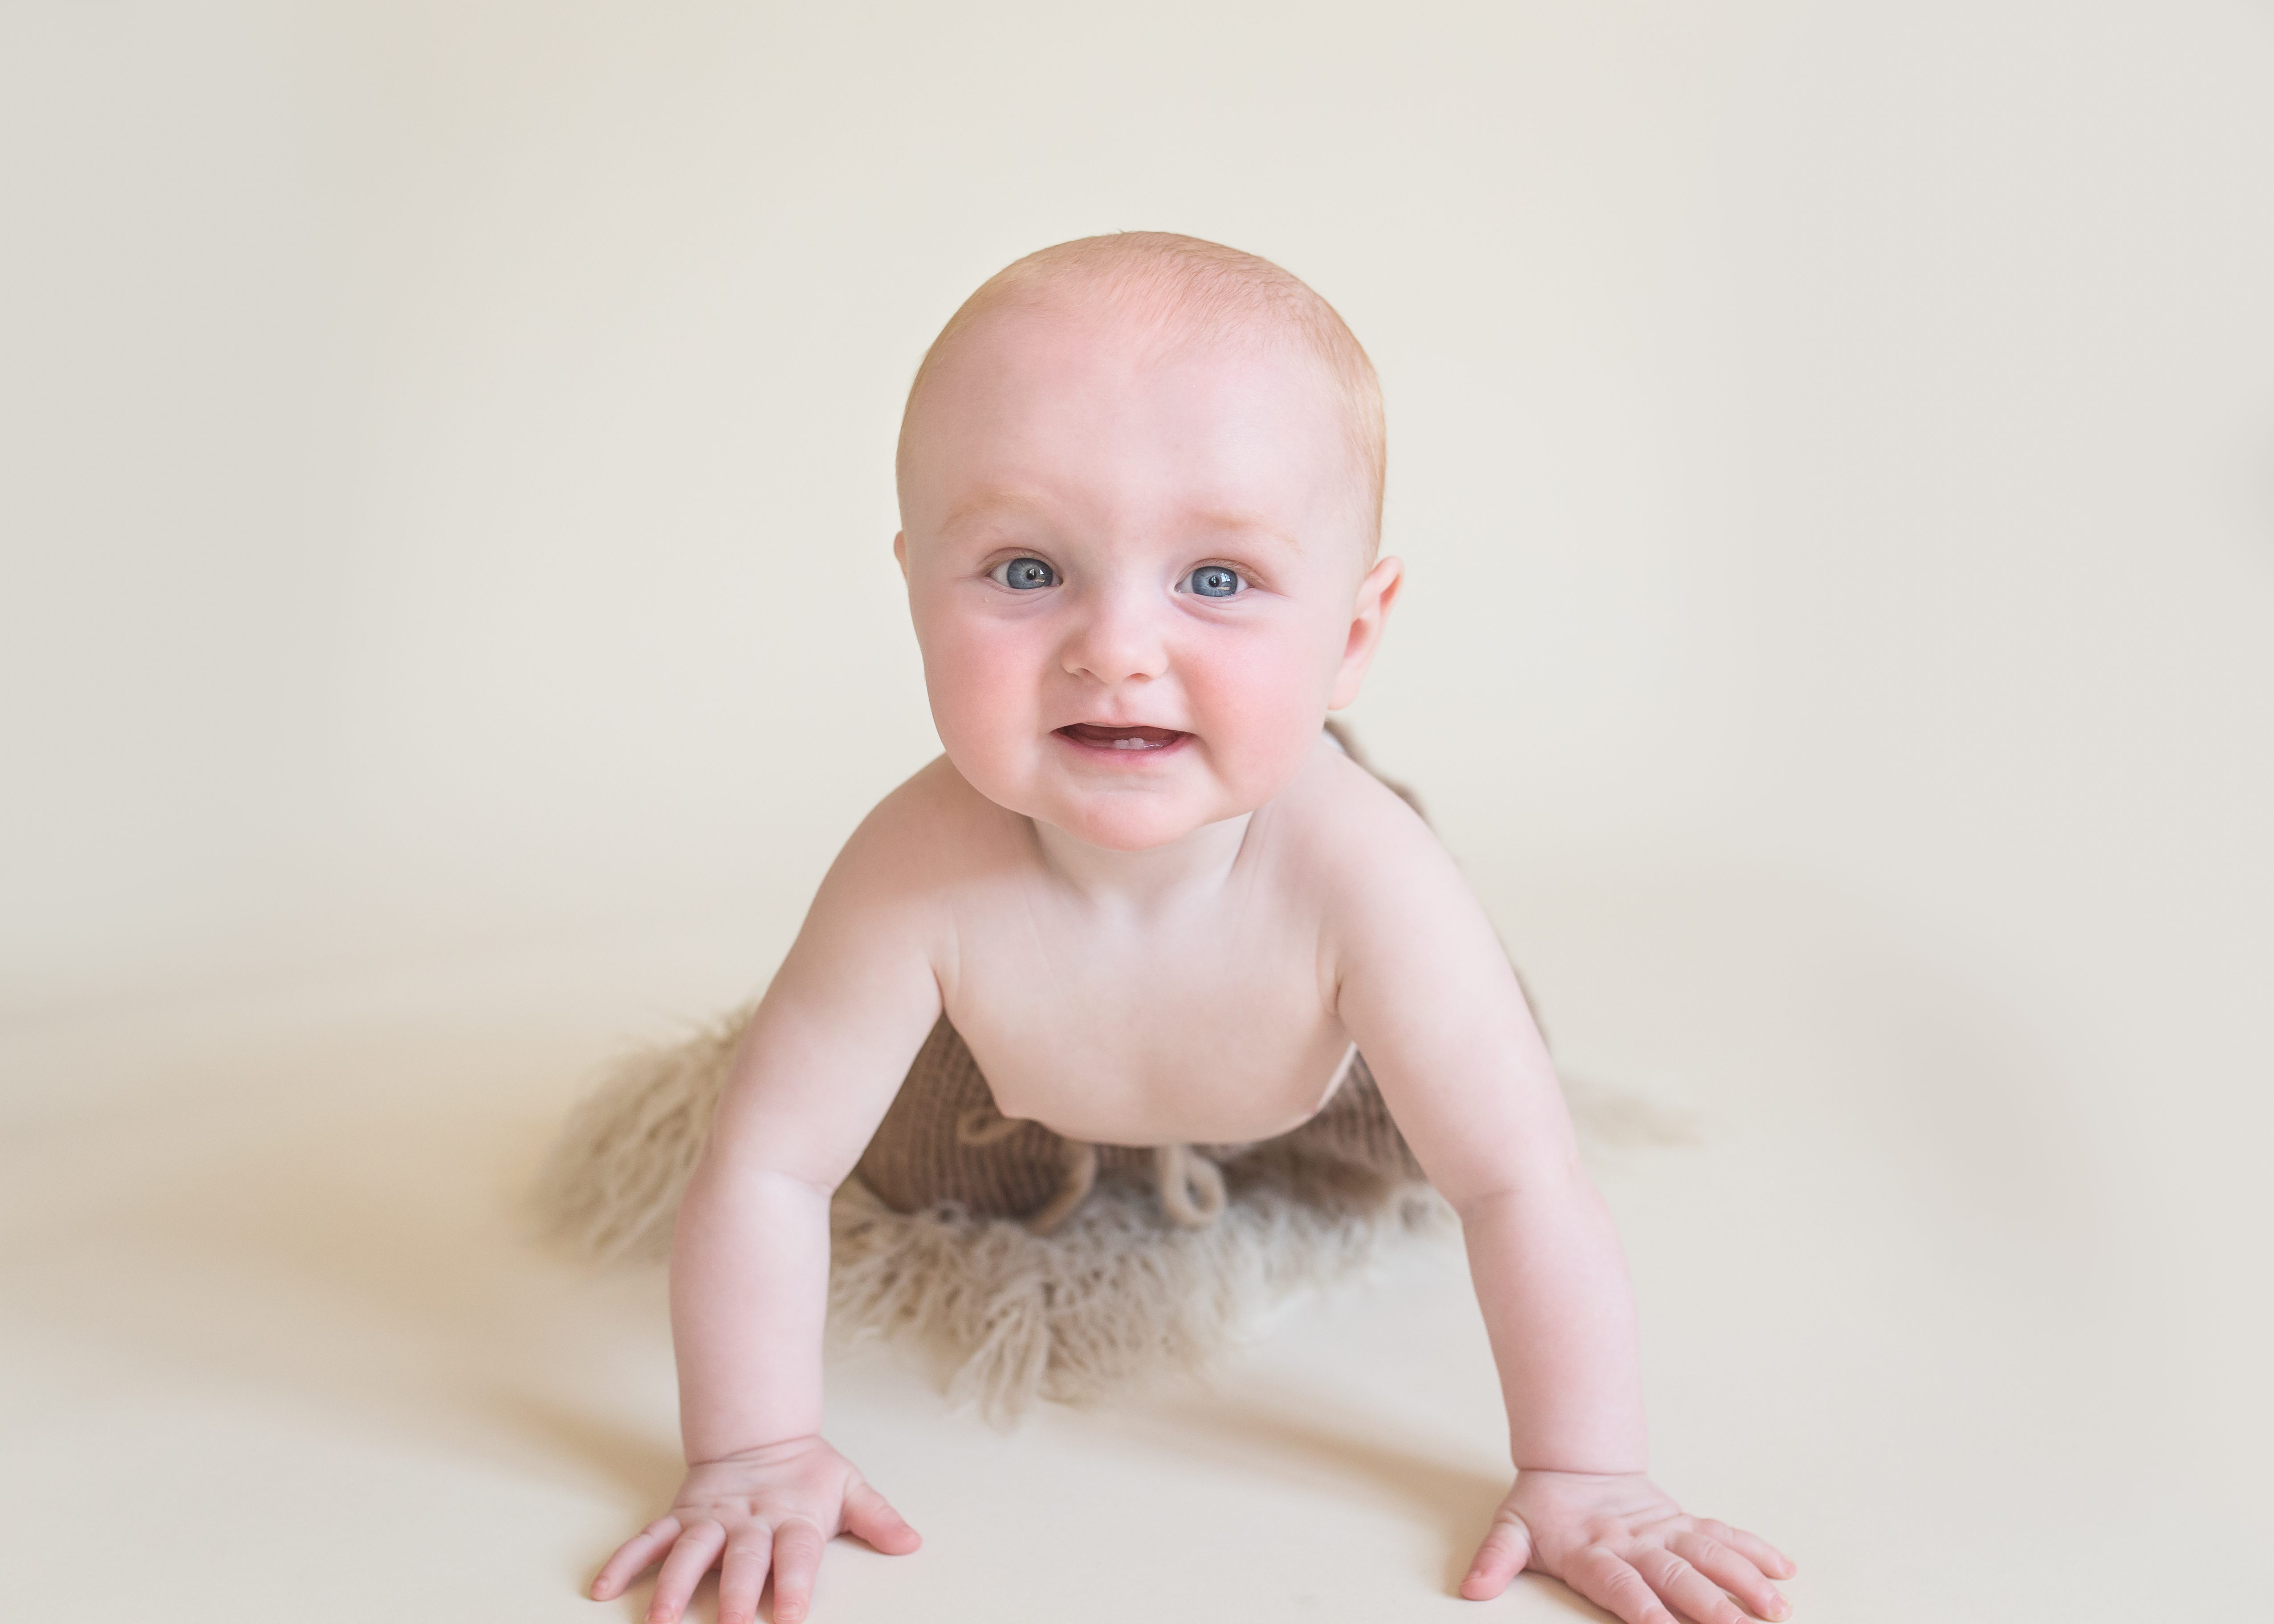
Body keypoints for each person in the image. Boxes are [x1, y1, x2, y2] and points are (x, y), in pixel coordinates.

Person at [585, 232, 1795, 1624]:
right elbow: (768, 1172)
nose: (1116, 647)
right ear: (915, 587)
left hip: (1315, 1052)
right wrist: (752, 1453)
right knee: (880, 1145)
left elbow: (1520, 1183)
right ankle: (1039, 1078)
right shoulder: (914, 868)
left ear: (1352, 632)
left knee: (1474, 1084)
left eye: (1215, 579)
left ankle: (1365, 904)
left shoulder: (1364, 875)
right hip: (1011, 1074)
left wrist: (1589, 1476)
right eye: (1027, 569)